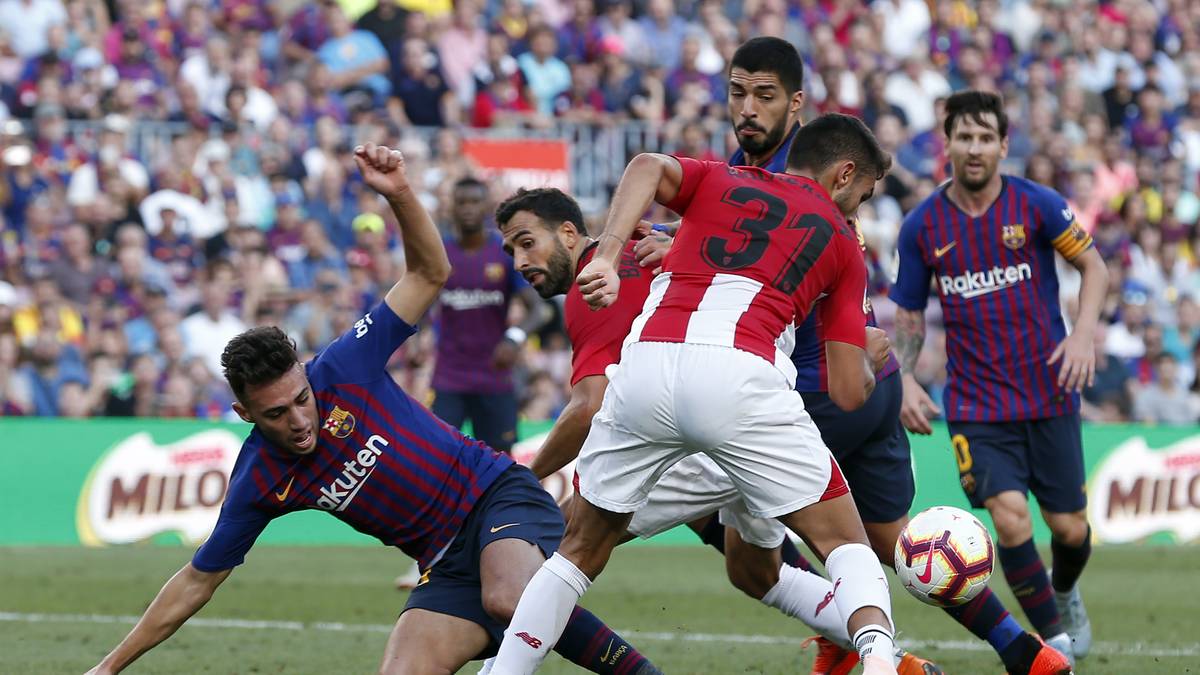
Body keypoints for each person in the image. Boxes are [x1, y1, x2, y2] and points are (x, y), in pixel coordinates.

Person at [84, 144, 661, 675]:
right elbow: (196, 581)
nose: (300, 420)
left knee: (509, 595)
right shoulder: (260, 476)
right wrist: (109, 667)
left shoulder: (344, 364)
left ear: (307, 375)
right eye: (277, 415)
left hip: (495, 496)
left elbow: (428, 273)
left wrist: (400, 195)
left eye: (301, 399)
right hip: (442, 559)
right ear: (244, 415)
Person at [634, 37, 1066, 675]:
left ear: (795, 103)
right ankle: (1024, 651)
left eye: (764, 96)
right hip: (871, 379)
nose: (746, 110)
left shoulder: (800, 170)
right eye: (738, 93)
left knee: (748, 555)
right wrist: (678, 236)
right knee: (895, 543)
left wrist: (674, 247)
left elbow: (771, 255)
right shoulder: (803, 160)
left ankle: (866, 651)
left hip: (812, 387)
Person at [491, 114, 900, 675]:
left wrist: (608, 254)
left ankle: (503, 671)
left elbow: (644, 165)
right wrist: (872, 361)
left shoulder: (724, 179)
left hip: (646, 370)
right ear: (844, 174)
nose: (857, 210)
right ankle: (881, 663)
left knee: (577, 550)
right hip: (743, 379)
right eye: (862, 196)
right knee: (846, 545)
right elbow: (848, 393)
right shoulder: (842, 242)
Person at [891, 90, 1110, 668]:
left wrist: (1082, 335)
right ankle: (1053, 642)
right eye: (964, 136)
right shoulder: (922, 227)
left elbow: (1093, 266)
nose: (974, 147)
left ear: (1004, 145)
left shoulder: (1037, 205)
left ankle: (1064, 592)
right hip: (976, 403)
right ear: (948, 144)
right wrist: (906, 379)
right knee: (1009, 514)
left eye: (986, 137)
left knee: (1069, 528)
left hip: (1049, 389)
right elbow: (909, 313)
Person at [431, 176, 552, 455]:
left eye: (475, 202)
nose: (468, 208)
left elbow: (538, 309)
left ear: (487, 207)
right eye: (461, 202)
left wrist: (514, 338)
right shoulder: (440, 254)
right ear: (452, 208)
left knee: (500, 462)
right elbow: (421, 304)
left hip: (494, 376)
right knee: (437, 455)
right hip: (450, 376)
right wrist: (414, 338)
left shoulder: (504, 254)